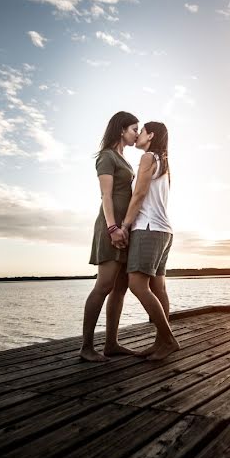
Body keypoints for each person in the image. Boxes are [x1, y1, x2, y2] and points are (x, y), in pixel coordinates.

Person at [80, 111, 140, 362]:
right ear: (121, 130)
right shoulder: (106, 157)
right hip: (110, 227)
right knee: (104, 285)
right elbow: (106, 196)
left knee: (120, 288)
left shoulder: (123, 158)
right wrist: (113, 228)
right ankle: (86, 348)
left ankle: (112, 343)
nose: (137, 134)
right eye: (134, 129)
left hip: (124, 228)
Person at [121, 122, 180, 360]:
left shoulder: (148, 158)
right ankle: (160, 343)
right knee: (158, 288)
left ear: (151, 135)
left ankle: (168, 340)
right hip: (164, 231)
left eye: (142, 131)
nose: (138, 135)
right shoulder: (164, 161)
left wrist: (125, 225)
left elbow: (139, 194)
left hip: (148, 229)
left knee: (137, 285)